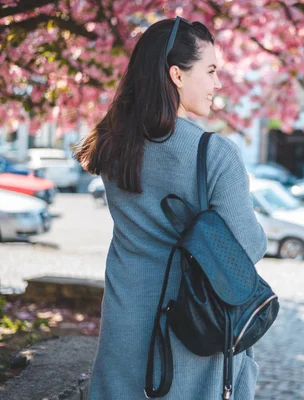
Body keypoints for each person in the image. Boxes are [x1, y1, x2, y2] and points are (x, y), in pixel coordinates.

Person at [75, 17, 267, 399]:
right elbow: (249, 248)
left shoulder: (113, 146)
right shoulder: (214, 154)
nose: (218, 83)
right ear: (177, 75)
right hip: (190, 330)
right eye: (210, 70)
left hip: (125, 323)